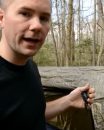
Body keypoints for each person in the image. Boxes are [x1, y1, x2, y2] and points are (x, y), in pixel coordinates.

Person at [0, 0, 95, 129]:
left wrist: (69, 101)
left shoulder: (31, 66)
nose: (37, 26)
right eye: (25, 14)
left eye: (44, 18)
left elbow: (33, 115)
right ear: (2, 18)